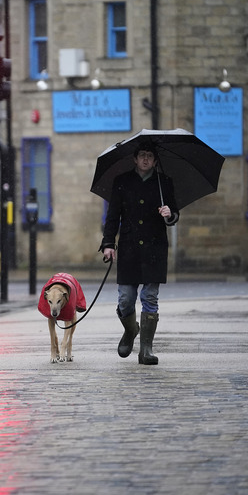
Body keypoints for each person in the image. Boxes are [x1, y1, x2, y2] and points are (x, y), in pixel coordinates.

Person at [99, 141, 179, 365]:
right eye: (142, 155)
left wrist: (169, 213)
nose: (146, 159)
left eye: (150, 156)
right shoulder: (122, 182)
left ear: (155, 160)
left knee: (150, 298)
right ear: (135, 159)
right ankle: (130, 330)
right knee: (126, 299)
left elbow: (174, 215)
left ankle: (146, 350)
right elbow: (112, 216)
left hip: (155, 248)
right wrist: (108, 244)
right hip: (129, 248)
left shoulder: (164, 183)